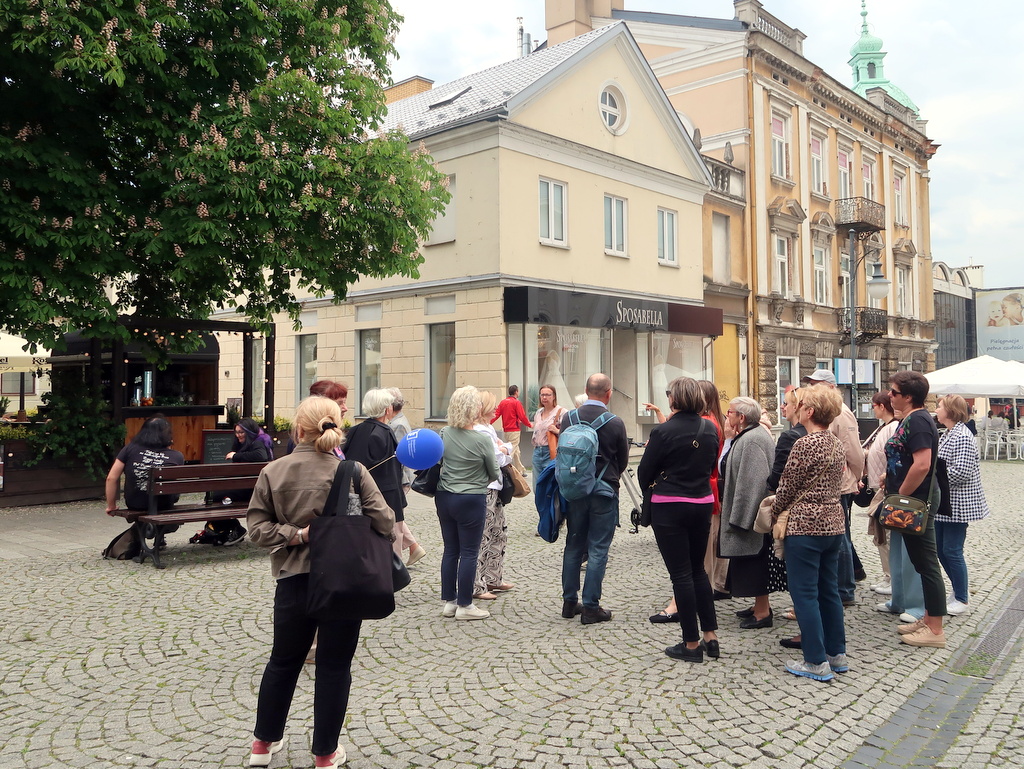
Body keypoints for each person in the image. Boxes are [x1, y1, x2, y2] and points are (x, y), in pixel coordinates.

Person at [247, 396, 394, 769]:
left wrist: (297, 535)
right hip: (344, 581)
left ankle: (262, 746)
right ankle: (325, 753)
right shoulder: (354, 471)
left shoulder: (274, 471)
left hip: (293, 579)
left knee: (283, 661)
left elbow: (257, 530)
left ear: (298, 429)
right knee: (334, 665)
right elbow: (385, 521)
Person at [638, 377, 721, 662]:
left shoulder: (663, 431)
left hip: (670, 504)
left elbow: (644, 472)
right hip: (701, 502)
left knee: (681, 575)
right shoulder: (710, 428)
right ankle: (711, 636)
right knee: (698, 570)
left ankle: (691, 644)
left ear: (674, 399)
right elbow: (713, 465)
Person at [771, 385, 848, 682]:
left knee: (804, 594)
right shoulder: (835, 443)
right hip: (833, 524)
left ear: (810, 411)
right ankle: (836, 653)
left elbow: (787, 485)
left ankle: (815, 661)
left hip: (805, 525)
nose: (798, 408)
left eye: (801, 404)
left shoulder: (804, 444)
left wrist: (774, 510)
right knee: (829, 591)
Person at [559, 373, 630, 625]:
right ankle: (591, 608)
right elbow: (622, 460)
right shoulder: (615, 422)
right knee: (598, 548)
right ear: (608, 393)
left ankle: (569, 602)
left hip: (576, 491)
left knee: (574, 545)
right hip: (604, 491)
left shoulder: (569, 417)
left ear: (586, 390)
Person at [884, 371, 948, 648]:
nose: (889, 395)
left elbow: (922, 464)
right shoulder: (912, 419)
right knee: (921, 563)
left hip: (916, 502)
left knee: (927, 563)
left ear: (908, 397)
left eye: (894, 392)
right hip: (912, 499)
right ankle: (928, 617)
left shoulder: (919, 421)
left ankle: (935, 630)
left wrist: (900, 496)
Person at [436, 386, 500, 621]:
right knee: (470, 552)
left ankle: (449, 602)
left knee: (450, 550)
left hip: (444, 496)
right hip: (471, 498)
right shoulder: (482, 439)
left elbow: (438, 461)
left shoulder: (444, 433)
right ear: (475, 409)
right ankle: (465, 604)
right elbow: (494, 472)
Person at [801, 369, 866, 600]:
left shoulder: (841, 412)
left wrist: (856, 478)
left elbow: (854, 452)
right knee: (839, 536)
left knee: (842, 538)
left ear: (829, 387)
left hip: (841, 482)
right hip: (834, 482)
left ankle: (845, 589)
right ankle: (844, 583)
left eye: (815, 384)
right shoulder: (828, 409)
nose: (810, 389)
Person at [718, 397, 777, 629]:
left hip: (751, 519)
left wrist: (741, 519)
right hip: (749, 516)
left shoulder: (752, 439)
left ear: (741, 417)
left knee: (756, 561)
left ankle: (762, 611)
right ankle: (759, 606)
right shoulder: (749, 435)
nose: (727, 416)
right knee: (754, 560)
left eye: (729, 412)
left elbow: (752, 483)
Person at [344, 389, 415, 562]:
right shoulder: (385, 432)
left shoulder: (354, 431)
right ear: (387, 409)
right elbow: (392, 469)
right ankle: (391, 575)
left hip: (360, 493)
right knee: (392, 537)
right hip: (387, 494)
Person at [935, 394, 990, 615]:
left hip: (958, 503)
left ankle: (962, 597)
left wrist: (933, 480)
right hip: (944, 503)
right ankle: (957, 590)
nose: (936, 410)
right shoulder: (949, 433)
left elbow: (961, 472)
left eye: (939, 406)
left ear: (950, 411)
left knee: (952, 550)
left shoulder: (963, 436)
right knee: (940, 550)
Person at [191, 418, 274, 546]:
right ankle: (225, 529)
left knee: (216, 497)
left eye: (241, 432)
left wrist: (235, 456)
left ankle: (234, 528)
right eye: (236, 432)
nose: (238, 435)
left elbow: (260, 456)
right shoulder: (246, 443)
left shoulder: (257, 442)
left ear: (249, 432)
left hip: (253, 489)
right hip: (247, 486)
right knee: (217, 497)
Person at [767, 386, 806, 649]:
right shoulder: (826, 437)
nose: (783, 407)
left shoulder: (790, 437)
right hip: (826, 519)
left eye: (786, 403)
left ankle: (807, 634)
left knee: (799, 576)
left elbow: (780, 477)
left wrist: (773, 505)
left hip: (794, 513)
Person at [472, 390, 515, 600]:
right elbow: (498, 459)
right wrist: (506, 450)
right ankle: (477, 585)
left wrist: (504, 448)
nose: (496, 409)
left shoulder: (488, 428)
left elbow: (502, 451)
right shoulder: (481, 431)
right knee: (483, 536)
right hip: (486, 487)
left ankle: (493, 577)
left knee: (498, 532)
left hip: (495, 488)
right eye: (493, 405)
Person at [861, 392, 899, 597]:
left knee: (886, 533)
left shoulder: (892, 427)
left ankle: (893, 576)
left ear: (882, 406)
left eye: (874, 405)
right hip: (877, 486)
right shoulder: (882, 427)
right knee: (881, 533)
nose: (872, 409)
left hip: (884, 488)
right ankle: (888, 574)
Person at [105, 416, 184, 513]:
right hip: (164, 505)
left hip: (135, 504)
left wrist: (111, 506)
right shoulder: (177, 456)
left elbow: (111, 478)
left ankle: (142, 528)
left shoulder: (129, 449)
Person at [386, 387, 426, 567]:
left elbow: (400, 455)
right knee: (395, 517)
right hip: (397, 478)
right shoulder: (396, 421)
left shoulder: (398, 424)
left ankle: (397, 561)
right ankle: (414, 547)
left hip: (399, 478)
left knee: (395, 519)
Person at [287, 380, 349, 456]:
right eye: (339, 403)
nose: (345, 408)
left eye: (344, 402)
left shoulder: (330, 433)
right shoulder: (304, 438)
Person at [491, 385, 532, 475]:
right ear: (516, 392)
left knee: (516, 449)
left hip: (506, 429)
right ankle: (504, 468)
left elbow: (496, 414)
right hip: (515, 429)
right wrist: (529, 425)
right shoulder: (516, 403)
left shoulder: (503, 402)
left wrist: (487, 423)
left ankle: (520, 469)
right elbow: (522, 416)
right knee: (512, 449)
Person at [530, 384, 566, 475]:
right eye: (542, 395)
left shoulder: (562, 412)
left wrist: (556, 430)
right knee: (537, 484)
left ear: (554, 396)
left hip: (551, 450)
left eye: (548, 395)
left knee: (549, 481)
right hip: (537, 451)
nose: (544, 397)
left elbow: (568, 433)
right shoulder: (538, 412)